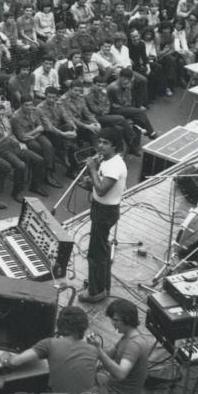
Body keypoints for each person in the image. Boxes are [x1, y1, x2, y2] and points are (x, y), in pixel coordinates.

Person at [79, 127, 127, 304]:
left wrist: (92, 169)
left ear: (114, 146)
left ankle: (96, 291)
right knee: (102, 250)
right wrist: (90, 183)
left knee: (95, 253)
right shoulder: (107, 161)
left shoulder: (115, 165)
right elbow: (99, 187)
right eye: (99, 142)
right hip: (100, 208)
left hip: (105, 212)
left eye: (105, 143)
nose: (100, 146)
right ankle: (100, 283)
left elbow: (102, 189)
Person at [93, 298, 151, 394]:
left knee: (79, 391)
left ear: (128, 319)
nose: (112, 323)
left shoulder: (134, 345)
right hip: (115, 390)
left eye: (116, 320)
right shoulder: (127, 336)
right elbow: (109, 354)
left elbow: (120, 374)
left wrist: (98, 351)